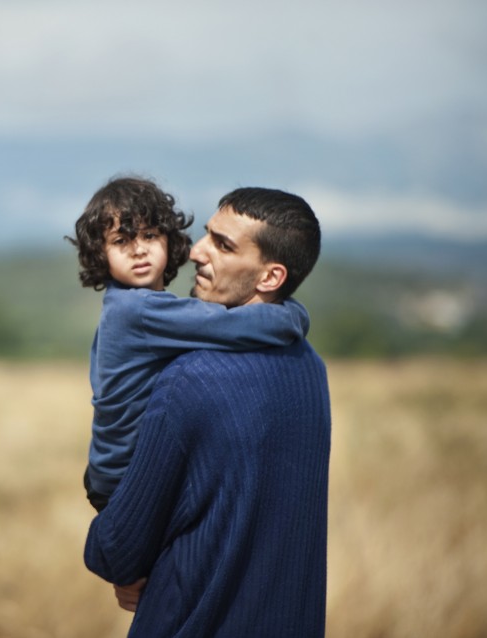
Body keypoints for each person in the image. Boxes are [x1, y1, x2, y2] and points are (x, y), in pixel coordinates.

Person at [84, 187, 331, 637]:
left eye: (222, 244)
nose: (196, 252)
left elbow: (120, 548)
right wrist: (293, 315)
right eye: (206, 236)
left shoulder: (190, 379)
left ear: (271, 277)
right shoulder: (310, 368)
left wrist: (112, 555)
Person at [67, 177, 310, 511]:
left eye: (150, 235)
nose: (139, 248)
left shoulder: (126, 306)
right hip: (124, 480)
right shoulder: (138, 311)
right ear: (100, 254)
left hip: (106, 471)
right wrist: (292, 313)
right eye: (121, 240)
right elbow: (232, 326)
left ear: (169, 239)